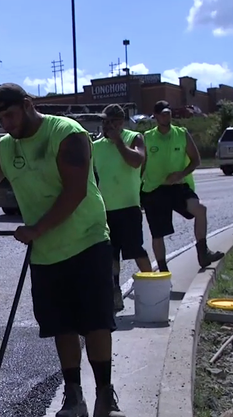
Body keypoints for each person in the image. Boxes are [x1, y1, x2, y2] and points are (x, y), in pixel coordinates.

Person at [0, 83, 126, 417]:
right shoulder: (5, 147)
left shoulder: (66, 133)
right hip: (46, 251)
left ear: (28, 105)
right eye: (0, 118)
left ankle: (105, 394)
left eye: (10, 114)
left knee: (96, 322)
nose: (6, 123)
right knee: (61, 325)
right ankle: (73, 395)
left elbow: (75, 192)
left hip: (87, 240)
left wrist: (36, 228)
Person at [140, 100, 225, 270]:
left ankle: (203, 252)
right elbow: (140, 167)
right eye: (163, 114)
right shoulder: (147, 137)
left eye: (168, 113)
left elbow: (196, 160)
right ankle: (163, 270)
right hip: (154, 190)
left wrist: (181, 174)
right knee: (158, 234)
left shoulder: (181, 133)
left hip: (179, 187)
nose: (167, 116)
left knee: (200, 209)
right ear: (156, 116)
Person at [91, 103, 150, 312]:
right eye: (104, 122)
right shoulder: (96, 146)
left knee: (135, 249)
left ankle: (151, 287)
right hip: (106, 209)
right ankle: (114, 293)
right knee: (110, 255)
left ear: (120, 122)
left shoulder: (133, 138)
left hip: (129, 206)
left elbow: (137, 161)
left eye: (111, 122)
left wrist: (118, 143)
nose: (106, 126)